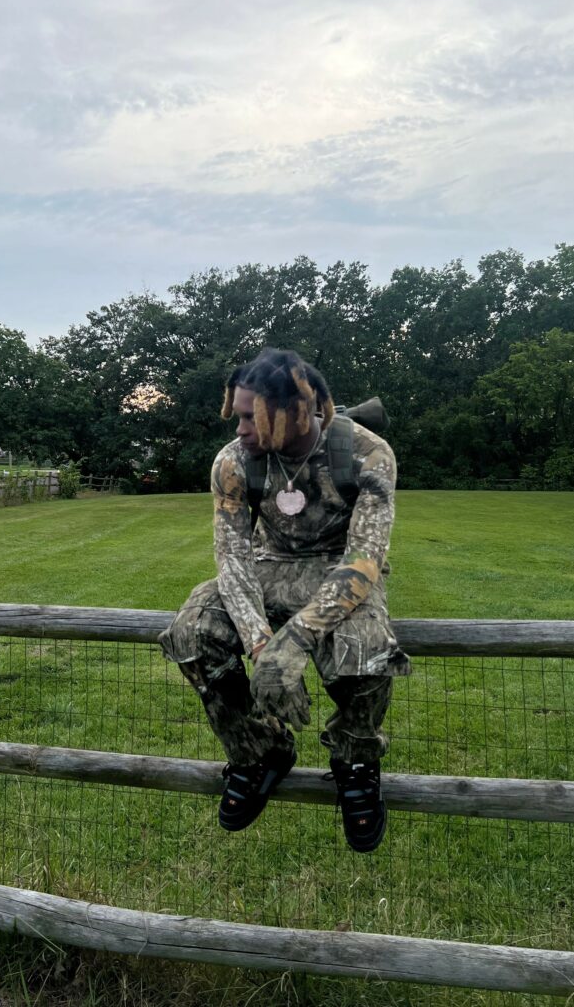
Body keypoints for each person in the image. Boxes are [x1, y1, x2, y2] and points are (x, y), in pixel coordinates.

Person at [159, 347, 410, 852]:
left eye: (250, 417)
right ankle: (259, 750)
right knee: (192, 631)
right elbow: (232, 558)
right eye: (237, 415)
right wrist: (261, 647)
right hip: (266, 566)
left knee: (366, 648)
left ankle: (355, 759)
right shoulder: (233, 462)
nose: (239, 429)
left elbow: (364, 561)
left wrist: (291, 644)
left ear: (296, 412)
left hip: (340, 570)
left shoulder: (368, 453)